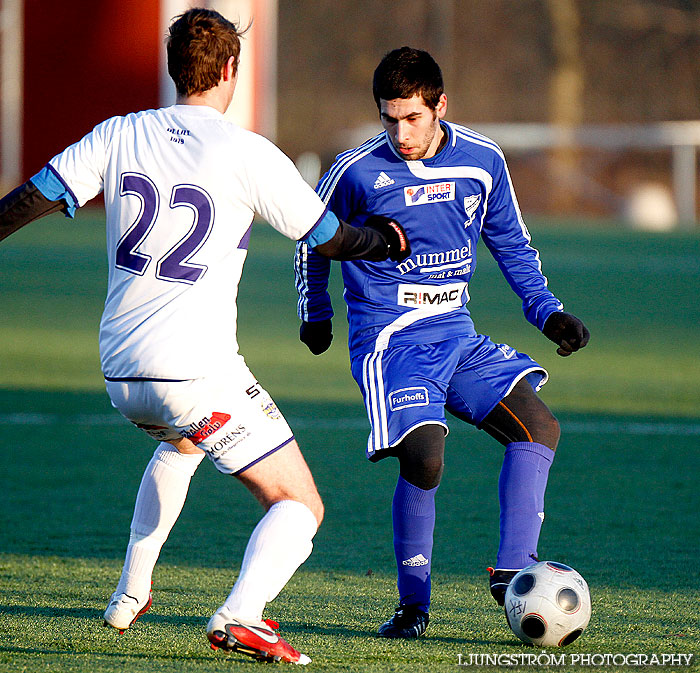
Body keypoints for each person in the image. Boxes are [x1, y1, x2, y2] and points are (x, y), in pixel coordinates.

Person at [0, 9, 409, 664]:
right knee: (300, 504)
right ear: (229, 70)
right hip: (194, 370)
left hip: (120, 371)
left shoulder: (118, 133)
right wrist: (385, 240)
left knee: (186, 442)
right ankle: (242, 613)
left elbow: (29, 199)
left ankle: (130, 593)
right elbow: (331, 237)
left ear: (172, 70)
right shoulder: (245, 151)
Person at [295, 46, 589, 639]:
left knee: (539, 426)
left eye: (411, 117)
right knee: (425, 455)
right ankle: (413, 607)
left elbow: (510, 241)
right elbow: (310, 240)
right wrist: (317, 312)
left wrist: (547, 311)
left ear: (440, 106)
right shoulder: (355, 172)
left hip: (456, 334)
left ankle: (513, 573)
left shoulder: (482, 161)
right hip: (389, 342)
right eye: (388, 118)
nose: (399, 132)